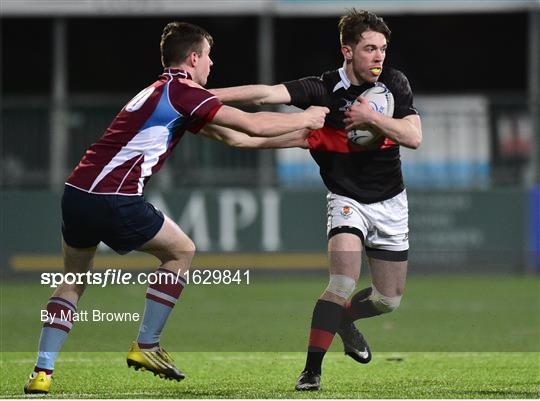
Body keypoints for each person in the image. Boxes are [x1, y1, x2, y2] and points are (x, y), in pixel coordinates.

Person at [23, 21, 328, 394]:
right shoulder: (183, 91)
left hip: (76, 192)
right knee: (182, 250)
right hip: (115, 196)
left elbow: (236, 139)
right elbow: (252, 124)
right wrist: (308, 117)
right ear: (194, 57)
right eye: (209, 57)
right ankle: (147, 345)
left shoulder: (160, 92)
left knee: (73, 279)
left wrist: (299, 138)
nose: (211, 66)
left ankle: (42, 371)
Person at [206, 9, 422, 391]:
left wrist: (371, 118)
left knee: (388, 301)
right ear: (347, 50)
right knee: (341, 282)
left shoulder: (394, 83)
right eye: (370, 48)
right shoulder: (321, 90)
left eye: (383, 49)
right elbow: (266, 95)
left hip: (390, 202)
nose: (378, 57)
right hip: (347, 201)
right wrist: (199, 96)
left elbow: (413, 135)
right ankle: (312, 371)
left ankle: (342, 320)